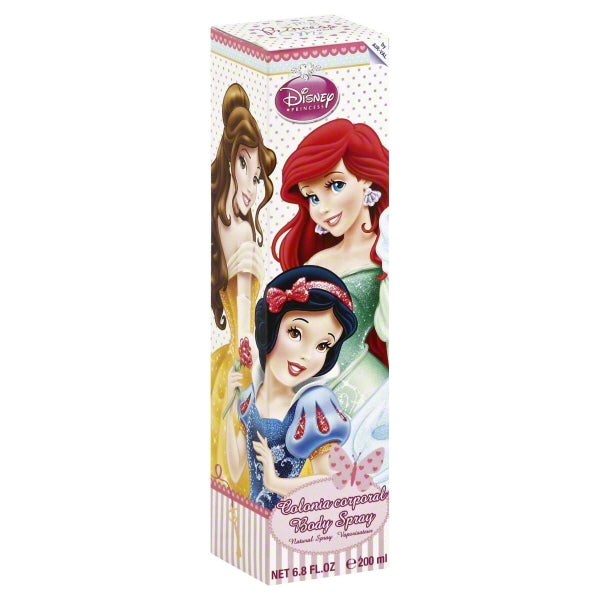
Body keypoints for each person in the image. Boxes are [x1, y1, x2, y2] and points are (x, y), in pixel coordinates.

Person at [272, 119, 389, 483]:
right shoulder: (317, 260)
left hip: (374, 397)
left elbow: (388, 328)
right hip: (316, 405)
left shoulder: (386, 251)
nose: (322, 207)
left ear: (366, 180)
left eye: (335, 185)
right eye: (312, 196)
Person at [225, 266, 358, 509]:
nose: (306, 355)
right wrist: (229, 400)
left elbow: (333, 483)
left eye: (322, 346)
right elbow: (234, 471)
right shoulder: (248, 399)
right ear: (271, 327)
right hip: (253, 520)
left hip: (293, 520)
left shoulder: (313, 405)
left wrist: (275, 482)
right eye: (295, 332)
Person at [211, 83, 276, 495]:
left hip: (232, 354)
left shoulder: (219, 220)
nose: (252, 186)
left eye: (257, 176)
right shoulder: (242, 232)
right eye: (244, 164)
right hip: (244, 353)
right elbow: (246, 324)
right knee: (248, 452)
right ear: (230, 158)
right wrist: (256, 368)